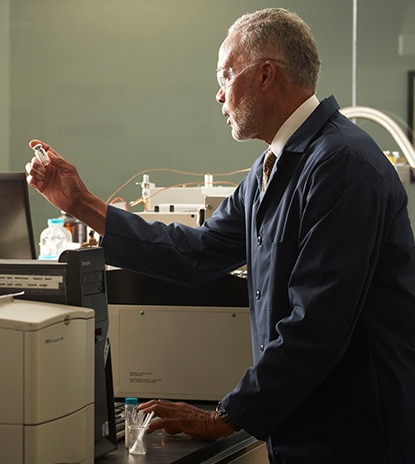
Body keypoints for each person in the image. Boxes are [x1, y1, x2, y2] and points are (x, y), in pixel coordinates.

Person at [26, 8, 415, 464]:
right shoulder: (274, 166)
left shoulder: (341, 166)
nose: (218, 95)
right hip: (306, 426)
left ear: (266, 75)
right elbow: (198, 252)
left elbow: (317, 324)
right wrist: (82, 205)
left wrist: (224, 416)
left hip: (356, 437)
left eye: (226, 75)